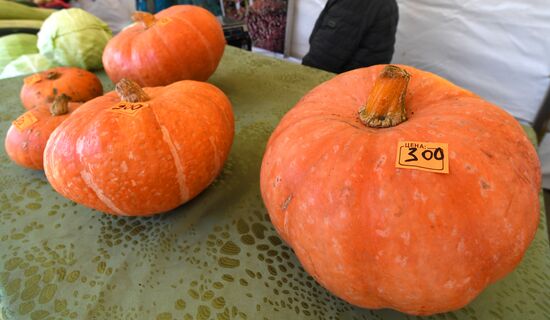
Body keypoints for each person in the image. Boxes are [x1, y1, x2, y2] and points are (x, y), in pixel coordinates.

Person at [302, 0, 398, 73]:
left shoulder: (356, 4)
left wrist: (304, 75)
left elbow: (323, 59)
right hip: (363, 84)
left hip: (342, 87)